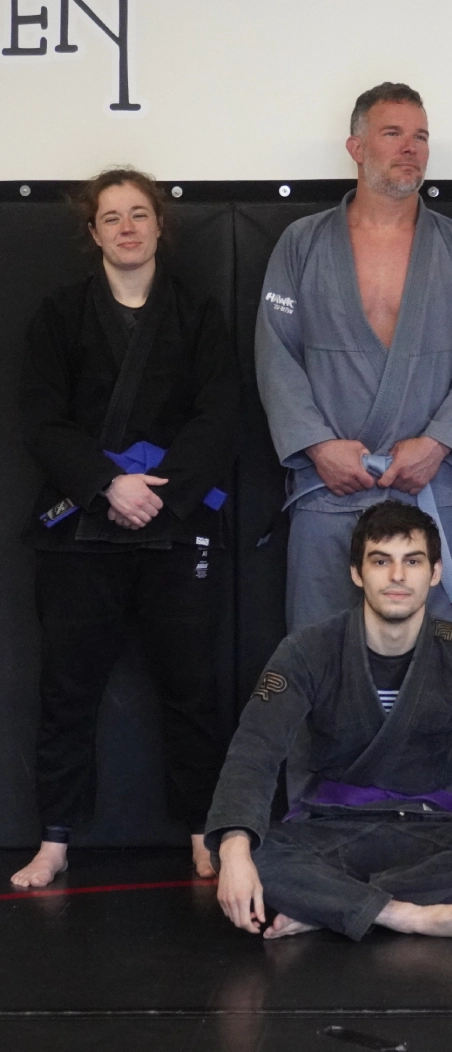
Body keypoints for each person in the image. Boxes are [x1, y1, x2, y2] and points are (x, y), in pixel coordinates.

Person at [12, 168, 240, 888]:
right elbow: (41, 419)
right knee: (67, 689)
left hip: (173, 521)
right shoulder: (58, 315)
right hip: (82, 526)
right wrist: (107, 484)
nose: (127, 228)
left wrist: (159, 496)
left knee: (192, 686)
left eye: (139, 214)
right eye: (111, 218)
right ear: (92, 233)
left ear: (159, 226)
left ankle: (205, 829)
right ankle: (54, 839)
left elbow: (219, 416)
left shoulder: (198, 314)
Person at [206, 501, 452, 942]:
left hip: (431, 829)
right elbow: (255, 750)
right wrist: (233, 851)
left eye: (413, 561)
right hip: (332, 831)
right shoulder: (307, 650)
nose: (398, 576)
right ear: (356, 572)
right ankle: (406, 914)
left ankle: (332, 906)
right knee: (240, 850)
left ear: (436, 572)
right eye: (381, 561)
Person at [256, 81, 452, 632]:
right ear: (356, 146)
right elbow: (277, 356)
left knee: (435, 651)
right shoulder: (302, 244)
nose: (409, 147)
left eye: (420, 136)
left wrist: (437, 446)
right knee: (320, 646)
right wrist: (319, 447)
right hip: (330, 485)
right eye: (392, 133)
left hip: (426, 485)